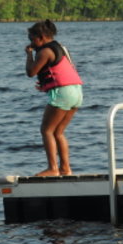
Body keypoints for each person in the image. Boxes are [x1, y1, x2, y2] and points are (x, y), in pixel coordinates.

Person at [25, 20, 83, 177]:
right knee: (58, 132)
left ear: (42, 37)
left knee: (46, 130)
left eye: (32, 39)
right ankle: (65, 168)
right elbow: (61, 70)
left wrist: (29, 54)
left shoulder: (45, 52)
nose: (31, 43)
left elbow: (30, 72)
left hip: (63, 92)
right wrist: (47, 84)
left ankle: (53, 168)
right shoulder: (61, 48)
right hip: (76, 91)